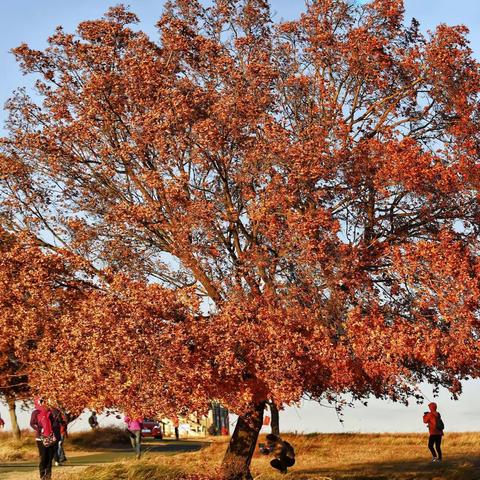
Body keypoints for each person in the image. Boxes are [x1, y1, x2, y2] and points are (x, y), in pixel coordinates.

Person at [30, 398, 57, 480]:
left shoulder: (49, 411)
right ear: (38, 402)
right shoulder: (35, 412)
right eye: (41, 401)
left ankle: (48, 476)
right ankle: (42, 476)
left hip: (50, 437)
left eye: (43, 401)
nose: (43, 403)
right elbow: (32, 423)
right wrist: (39, 429)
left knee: (50, 457)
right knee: (44, 457)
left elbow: (53, 423)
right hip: (40, 438)